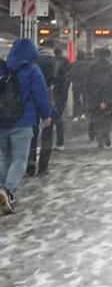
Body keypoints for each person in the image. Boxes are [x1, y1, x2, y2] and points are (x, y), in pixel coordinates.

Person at [0, 38, 52, 214]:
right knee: (20, 159)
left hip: (2, 121)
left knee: (5, 157)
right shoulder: (32, 70)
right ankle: (8, 190)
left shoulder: (2, 69)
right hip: (23, 121)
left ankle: (2, 189)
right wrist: (47, 114)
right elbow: (41, 95)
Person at [27, 40, 57, 175]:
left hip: (31, 103)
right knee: (47, 135)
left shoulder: (32, 62)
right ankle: (43, 167)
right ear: (53, 48)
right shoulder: (55, 62)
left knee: (32, 136)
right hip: (49, 101)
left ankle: (30, 166)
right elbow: (61, 85)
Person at [52, 46, 71, 150]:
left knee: (54, 117)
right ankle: (60, 142)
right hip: (63, 92)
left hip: (54, 92)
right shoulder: (66, 61)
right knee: (58, 117)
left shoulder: (54, 61)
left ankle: (55, 142)